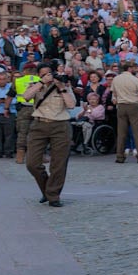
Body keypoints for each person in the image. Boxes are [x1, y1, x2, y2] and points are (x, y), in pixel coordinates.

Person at [25, 63, 77, 207]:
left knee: (58, 164)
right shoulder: (36, 85)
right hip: (39, 124)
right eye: (43, 74)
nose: (47, 76)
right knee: (32, 163)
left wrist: (62, 87)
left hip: (60, 125)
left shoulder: (63, 85)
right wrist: (41, 83)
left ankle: (53, 195)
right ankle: (46, 189)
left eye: (49, 73)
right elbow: (26, 97)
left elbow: (71, 105)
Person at [112, 59, 138, 163]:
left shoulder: (116, 79)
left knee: (121, 132)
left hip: (121, 106)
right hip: (133, 105)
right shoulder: (135, 79)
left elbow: (114, 93)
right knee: (137, 132)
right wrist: (137, 100)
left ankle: (120, 156)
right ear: (130, 69)